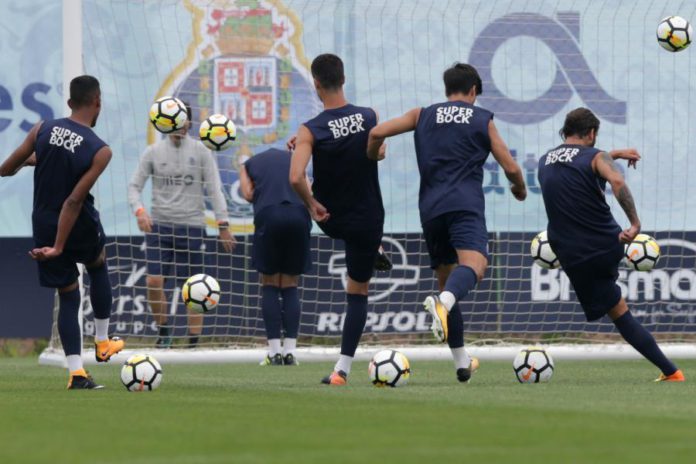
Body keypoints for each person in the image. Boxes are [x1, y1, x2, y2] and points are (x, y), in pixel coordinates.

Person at [367, 63, 527, 383]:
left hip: (430, 210)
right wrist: (519, 188)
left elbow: (375, 133)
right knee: (475, 267)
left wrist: (374, 155)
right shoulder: (482, 119)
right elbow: (509, 166)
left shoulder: (421, 114)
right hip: (464, 205)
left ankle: (461, 362)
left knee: (448, 283)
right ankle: (443, 303)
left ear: (446, 89)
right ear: (473, 91)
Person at [537, 107, 683, 382]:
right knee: (620, 314)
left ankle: (671, 371)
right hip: (604, 244)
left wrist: (612, 154)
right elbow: (614, 178)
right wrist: (635, 223)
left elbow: (579, 161)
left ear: (565, 131)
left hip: (570, 252)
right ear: (591, 133)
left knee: (618, 312)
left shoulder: (545, 160)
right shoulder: (596, 157)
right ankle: (670, 371)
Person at [0, 75, 124, 389]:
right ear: (97, 102)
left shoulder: (42, 129)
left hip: (43, 222)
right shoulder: (100, 150)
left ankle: (77, 374)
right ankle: (102, 341)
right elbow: (73, 200)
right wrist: (59, 246)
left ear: (69, 102)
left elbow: (6, 169)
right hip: (77, 223)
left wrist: (33, 160)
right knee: (97, 263)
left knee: (68, 294)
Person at [289, 53, 386, 385]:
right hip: (368, 218)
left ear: (316, 83)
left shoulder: (310, 129)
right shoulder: (370, 115)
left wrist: (311, 203)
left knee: (312, 188)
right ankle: (341, 370)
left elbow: (295, 177)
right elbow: (379, 152)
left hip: (330, 217)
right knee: (357, 293)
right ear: (343, 79)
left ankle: (372, 247)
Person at [128, 103, 235, 348]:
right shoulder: (152, 152)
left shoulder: (201, 151)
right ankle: (164, 334)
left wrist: (223, 224)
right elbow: (134, 186)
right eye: (175, 120)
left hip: (192, 227)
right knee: (153, 282)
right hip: (160, 227)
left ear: (189, 123)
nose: (180, 125)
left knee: (195, 287)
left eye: (184, 120)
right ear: (166, 122)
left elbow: (215, 189)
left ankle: (192, 343)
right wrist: (140, 211)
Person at [239, 148, 312, 366]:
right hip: (299, 216)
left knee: (270, 283)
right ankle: (290, 351)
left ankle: (274, 353)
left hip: (269, 215)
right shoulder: (296, 159)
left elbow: (248, 194)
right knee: (290, 284)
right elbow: (308, 189)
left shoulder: (249, 163)